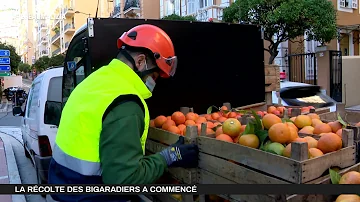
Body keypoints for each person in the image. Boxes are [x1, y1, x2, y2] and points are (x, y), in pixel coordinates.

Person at [47, 24, 199, 202]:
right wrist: (170, 156)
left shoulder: (92, 82)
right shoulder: (126, 103)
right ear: (141, 61)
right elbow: (123, 180)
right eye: (155, 76)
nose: (153, 83)